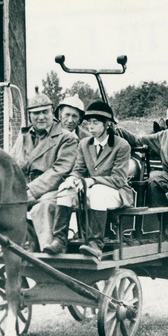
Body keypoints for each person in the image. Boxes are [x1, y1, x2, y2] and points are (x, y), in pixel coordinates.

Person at [43, 101, 134, 258]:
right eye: (89, 123)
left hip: (117, 193)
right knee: (65, 188)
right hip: (91, 191)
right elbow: (79, 170)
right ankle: (60, 240)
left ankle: (95, 243)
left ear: (107, 125)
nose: (90, 127)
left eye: (96, 123)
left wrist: (92, 181)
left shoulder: (122, 145)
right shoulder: (84, 144)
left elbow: (119, 179)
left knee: (97, 191)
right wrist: (72, 179)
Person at [11, 89, 78, 250]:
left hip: (56, 190)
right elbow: (12, 165)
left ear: (52, 113)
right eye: (36, 113)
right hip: (26, 189)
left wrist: (31, 191)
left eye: (45, 112)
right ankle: (13, 247)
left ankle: (49, 254)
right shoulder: (24, 136)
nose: (41, 117)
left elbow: (59, 170)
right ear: (29, 116)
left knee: (43, 206)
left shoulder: (66, 137)